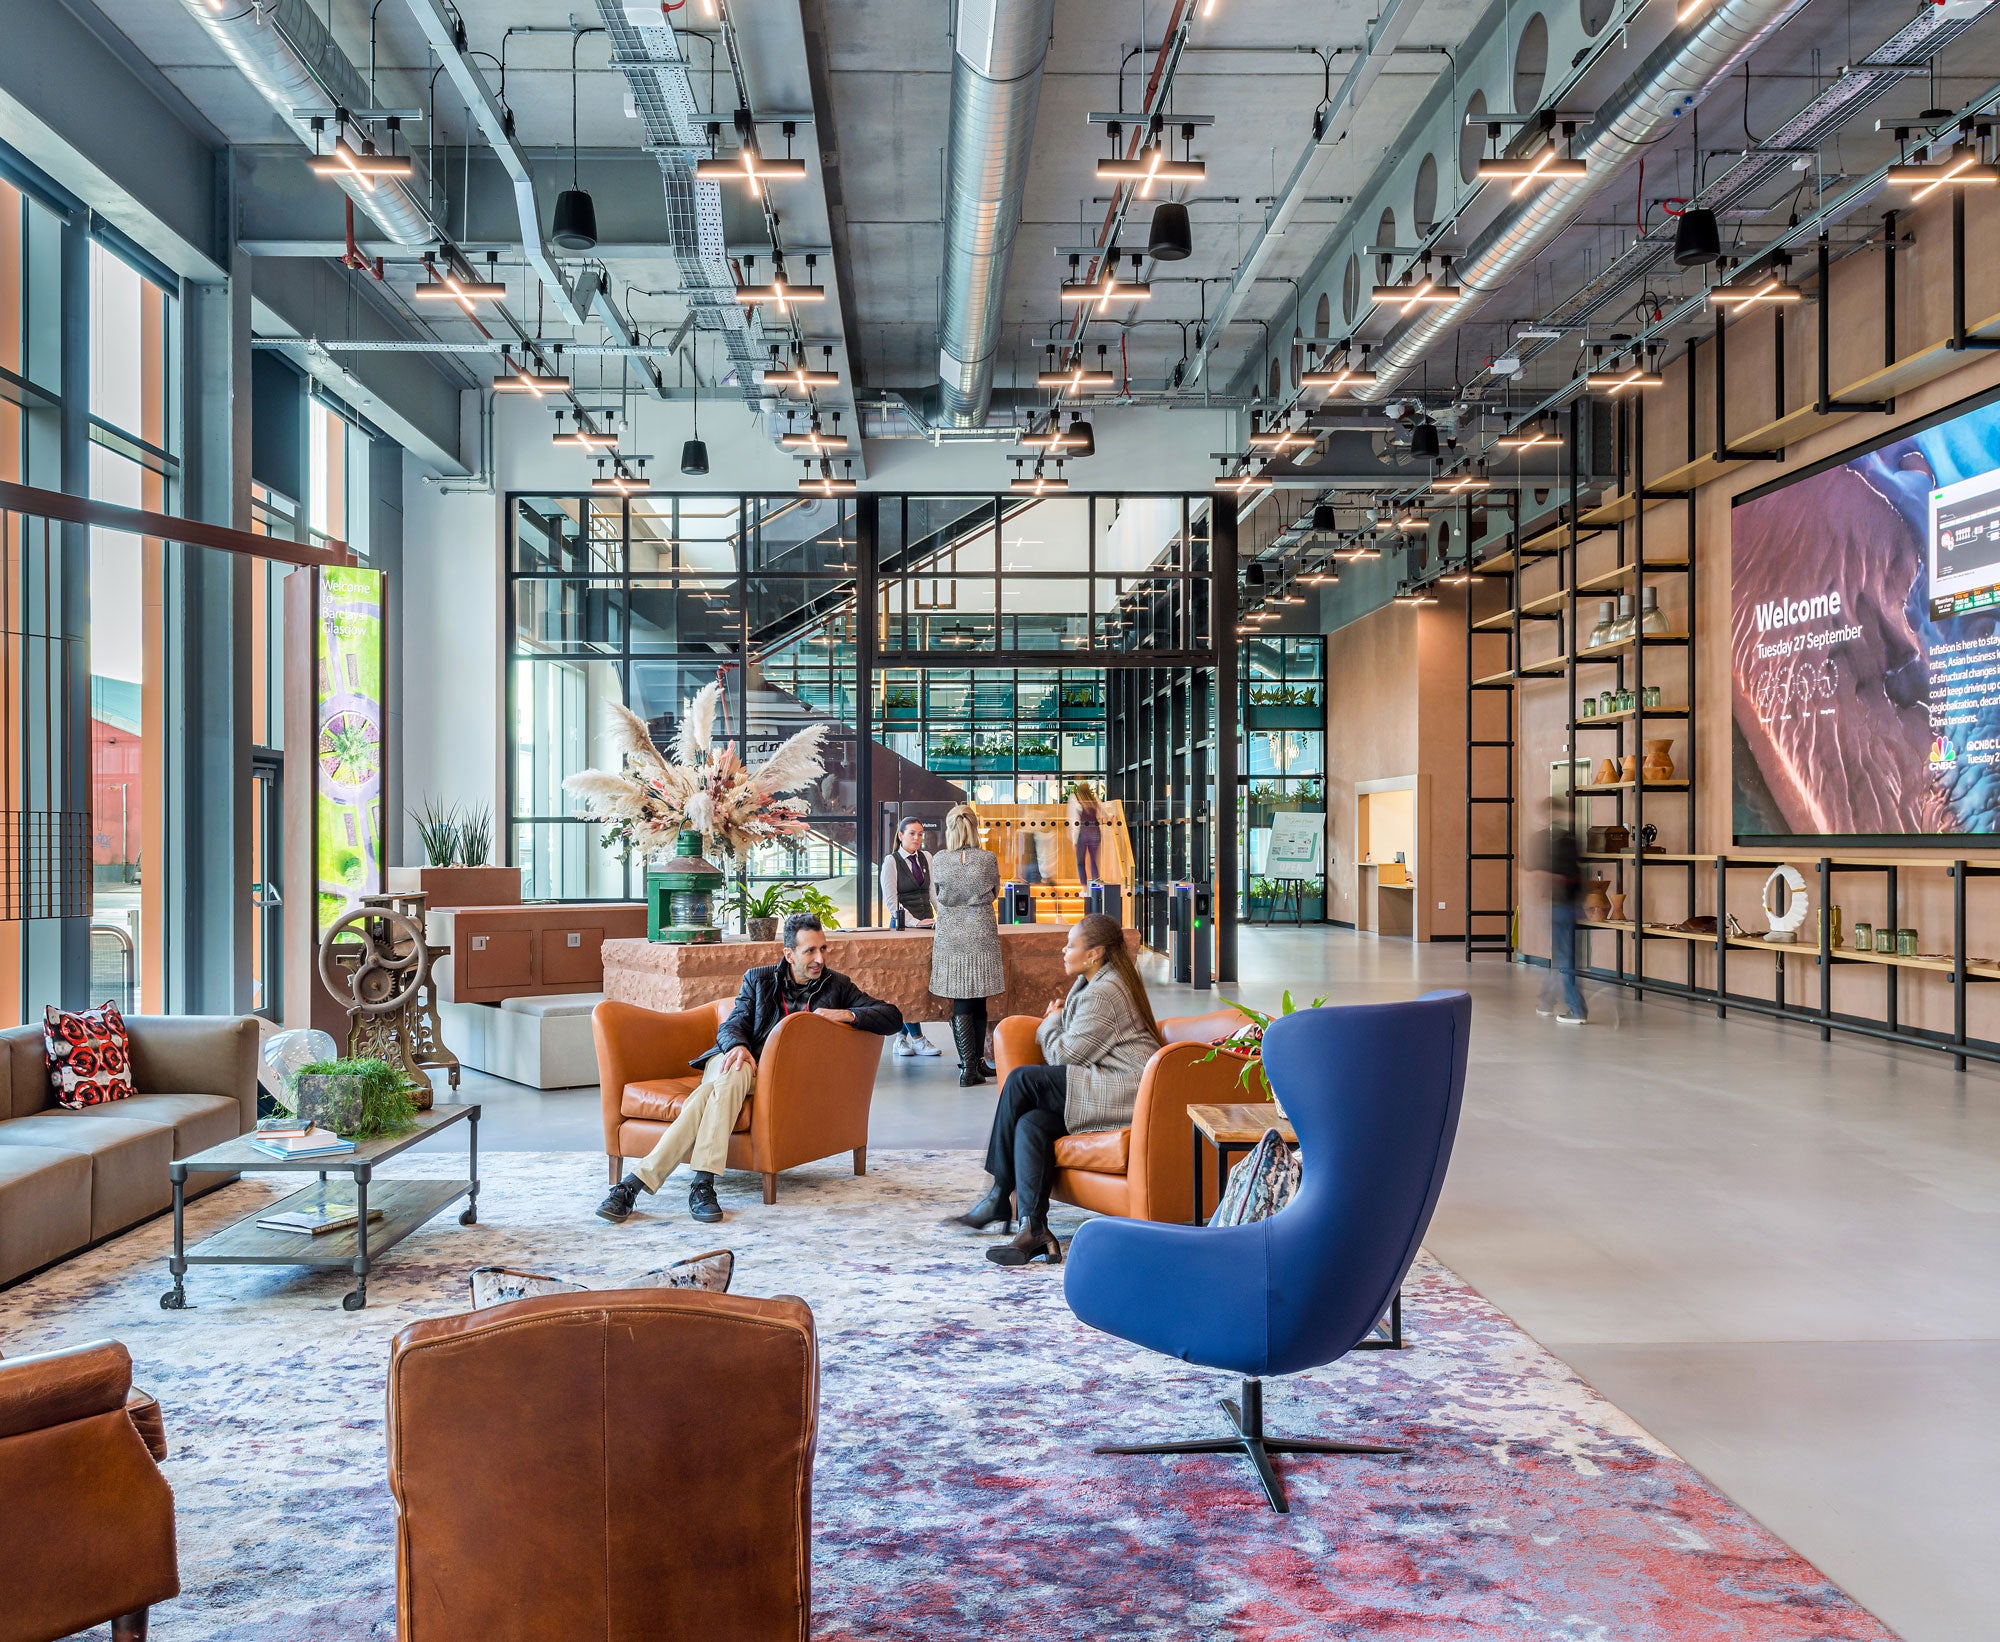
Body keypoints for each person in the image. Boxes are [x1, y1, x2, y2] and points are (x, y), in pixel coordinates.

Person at [596, 913, 902, 1225]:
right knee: (735, 1072)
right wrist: (739, 1047)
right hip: (734, 1060)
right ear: (789, 954)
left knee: (707, 1096)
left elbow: (892, 1016)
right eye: (810, 951)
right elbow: (732, 1025)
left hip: (774, 1078)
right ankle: (701, 1185)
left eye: (823, 949)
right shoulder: (759, 979)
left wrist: (846, 1014)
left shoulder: (837, 987)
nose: (819, 959)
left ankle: (630, 1187)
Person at [950, 912, 1163, 1267]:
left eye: (1071, 945)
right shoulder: (1095, 982)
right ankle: (1033, 1227)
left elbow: (1065, 1054)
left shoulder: (1107, 991)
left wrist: (1050, 1022)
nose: (1063, 951)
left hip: (1127, 1089)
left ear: (1094, 953)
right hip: (1103, 1080)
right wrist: (1059, 1020)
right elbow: (1078, 1042)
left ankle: (1000, 1193)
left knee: (1022, 1080)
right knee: (1030, 1123)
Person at [929, 802, 1004, 1086]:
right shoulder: (987, 859)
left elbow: (937, 894)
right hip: (981, 931)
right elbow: (995, 891)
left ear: (950, 828)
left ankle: (971, 1066)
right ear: (975, 829)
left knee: (961, 998)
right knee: (979, 998)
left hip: (950, 935)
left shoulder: (939, 859)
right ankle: (972, 1067)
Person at [879, 815, 942, 1059]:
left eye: (920, 834)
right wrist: (917, 922)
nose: (917, 838)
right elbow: (891, 902)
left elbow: (932, 893)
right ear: (900, 836)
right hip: (904, 928)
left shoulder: (926, 858)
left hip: (928, 926)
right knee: (908, 983)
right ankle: (917, 1037)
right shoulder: (891, 862)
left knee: (920, 982)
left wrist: (941, 917)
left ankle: (901, 1037)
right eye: (912, 834)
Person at [1536, 799, 1587, 1025]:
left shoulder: (1552, 840)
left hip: (1562, 905)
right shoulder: (1568, 838)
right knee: (1562, 957)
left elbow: (1548, 873)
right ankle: (1546, 1001)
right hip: (1567, 904)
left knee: (1564, 959)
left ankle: (1576, 1009)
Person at [1069, 782, 1105, 883]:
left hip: (1082, 835)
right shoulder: (1094, 799)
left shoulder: (1078, 802)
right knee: (1093, 861)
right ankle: (1096, 886)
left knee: (1080, 863)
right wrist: (1110, 816)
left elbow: (1076, 823)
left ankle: (1084, 889)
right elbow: (1104, 812)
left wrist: (1074, 840)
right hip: (1095, 834)